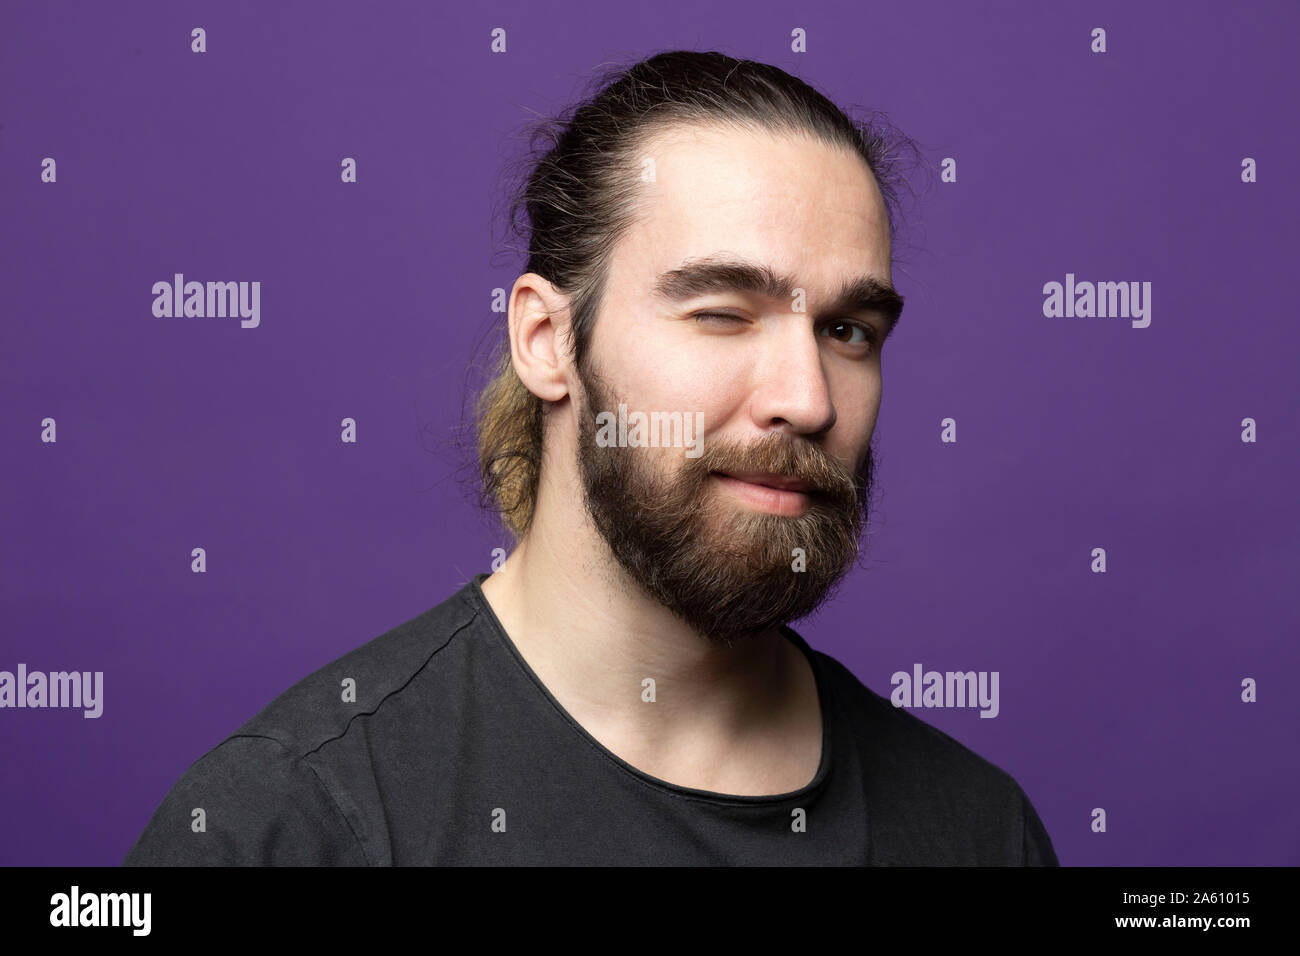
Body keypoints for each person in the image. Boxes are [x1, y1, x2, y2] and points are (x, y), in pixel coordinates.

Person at [124, 50, 1058, 866]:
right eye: (722, 312)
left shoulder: (979, 829)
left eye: (849, 330)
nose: (808, 398)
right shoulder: (289, 822)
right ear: (548, 340)